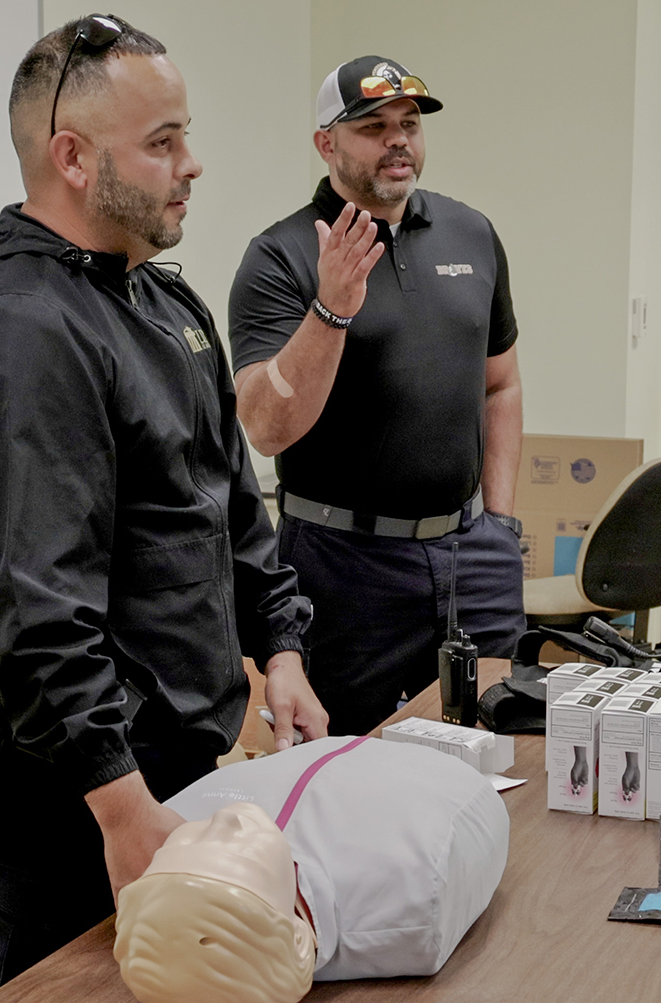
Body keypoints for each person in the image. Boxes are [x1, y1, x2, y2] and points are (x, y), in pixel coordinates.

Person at [0, 14, 330, 993]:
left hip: (165, 757)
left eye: (184, 133)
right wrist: (121, 806)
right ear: (70, 156)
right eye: (162, 142)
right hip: (67, 786)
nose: (192, 164)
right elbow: (34, 605)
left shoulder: (160, 305)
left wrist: (281, 651)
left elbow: (231, 509)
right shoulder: (16, 332)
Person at [228, 55, 526, 737]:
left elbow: (502, 383)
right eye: (372, 125)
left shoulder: (471, 233)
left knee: (495, 748)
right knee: (351, 767)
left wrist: (501, 528)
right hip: (341, 568)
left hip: (472, 556)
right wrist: (331, 308)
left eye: (409, 123)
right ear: (325, 143)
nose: (398, 139)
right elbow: (266, 428)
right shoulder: (281, 257)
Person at [114, 736, 509, 1003]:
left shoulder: (172, 816)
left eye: (194, 840)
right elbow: (479, 811)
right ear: (296, 937)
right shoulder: (411, 877)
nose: (225, 819)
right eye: (232, 852)